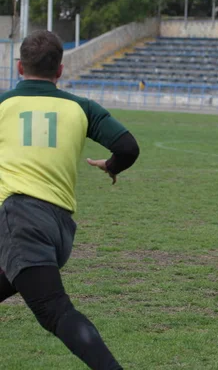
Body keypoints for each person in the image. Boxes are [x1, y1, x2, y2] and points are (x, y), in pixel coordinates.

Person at [0, 30, 139, 369]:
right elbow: (127, 147)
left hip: (20, 220)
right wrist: (111, 165)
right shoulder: (81, 107)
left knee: (54, 310)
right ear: (60, 70)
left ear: (19, 67)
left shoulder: (3, 103)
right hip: (57, 227)